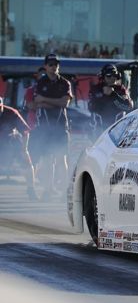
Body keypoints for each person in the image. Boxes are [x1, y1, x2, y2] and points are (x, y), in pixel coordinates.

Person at [34, 53, 73, 200]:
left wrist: (46, 100)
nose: (53, 66)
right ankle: (48, 190)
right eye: (50, 64)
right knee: (48, 160)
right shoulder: (41, 82)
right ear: (45, 66)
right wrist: (54, 101)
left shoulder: (65, 83)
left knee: (61, 159)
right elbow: (37, 101)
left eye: (56, 64)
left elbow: (65, 103)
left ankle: (65, 191)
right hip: (45, 127)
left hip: (61, 126)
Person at [0, 96, 37, 200]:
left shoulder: (12, 113)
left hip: (11, 140)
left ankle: (31, 189)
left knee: (27, 162)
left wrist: (24, 149)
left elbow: (25, 131)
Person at [88, 64, 133, 131]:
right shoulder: (96, 89)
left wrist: (113, 95)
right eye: (109, 76)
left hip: (117, 131)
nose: (112, 78)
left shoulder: (121, 89)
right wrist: (104, 96)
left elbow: (128, 107)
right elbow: (91, 107)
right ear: (103, 77)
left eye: (114, 75)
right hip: (99, 130)